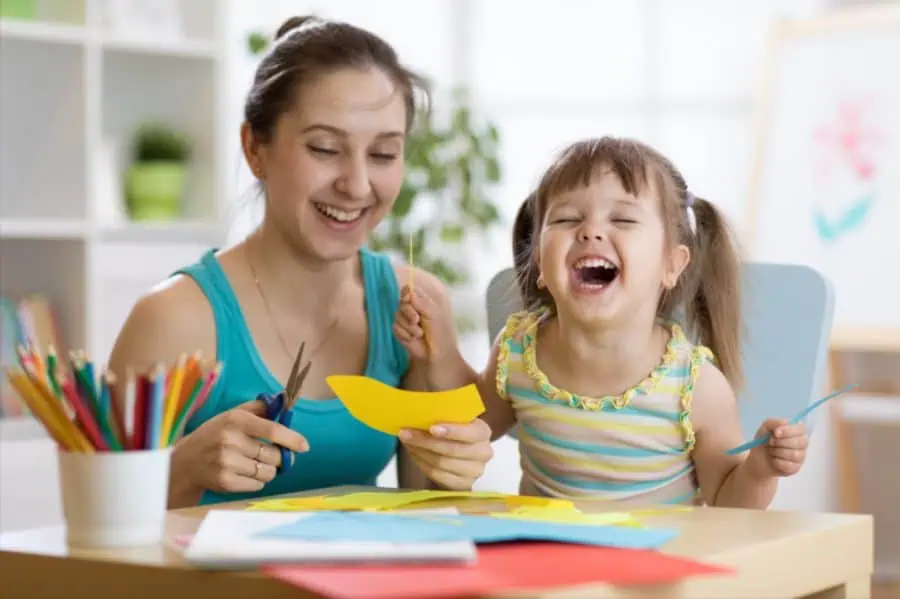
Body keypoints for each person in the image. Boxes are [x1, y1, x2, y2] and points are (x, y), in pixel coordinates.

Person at [108, 15, 492, 509]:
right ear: (255, 148)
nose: (357, 185)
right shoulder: (174, 319)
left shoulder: (410, 305)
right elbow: (98, 525)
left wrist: (453, 459)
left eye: (383, 154)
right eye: (325, 149)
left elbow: (426, 511)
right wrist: (183, 469)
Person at [425, 136, 808, 507]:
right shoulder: (517, 353)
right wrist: (438, 347)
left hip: (663, 551)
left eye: (623, 219)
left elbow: (728, 500)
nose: (590, 231)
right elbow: (470, 423)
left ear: (671, 264)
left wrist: (760, 471)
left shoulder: (694, 386)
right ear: (539, 261)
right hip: (547, 549)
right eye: (566, 218)